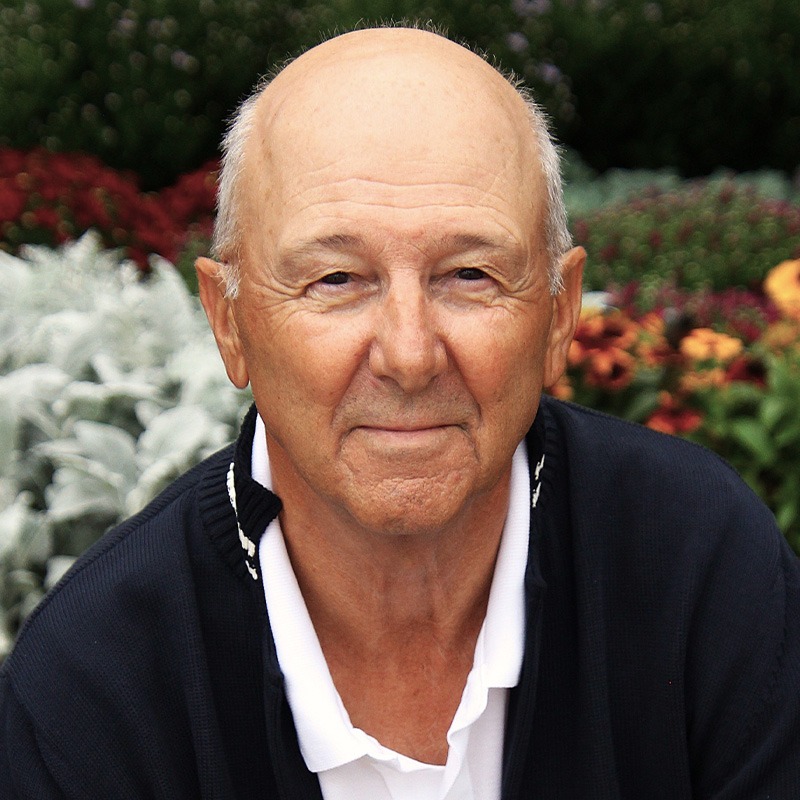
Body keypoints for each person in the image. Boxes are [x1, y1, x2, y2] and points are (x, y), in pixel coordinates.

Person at [1, 26, 798, 800]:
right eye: (337, 279)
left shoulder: (702, 567)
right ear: (229, 322)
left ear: (558, 315)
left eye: (470, 274)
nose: (410, 356)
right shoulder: (95, 685)